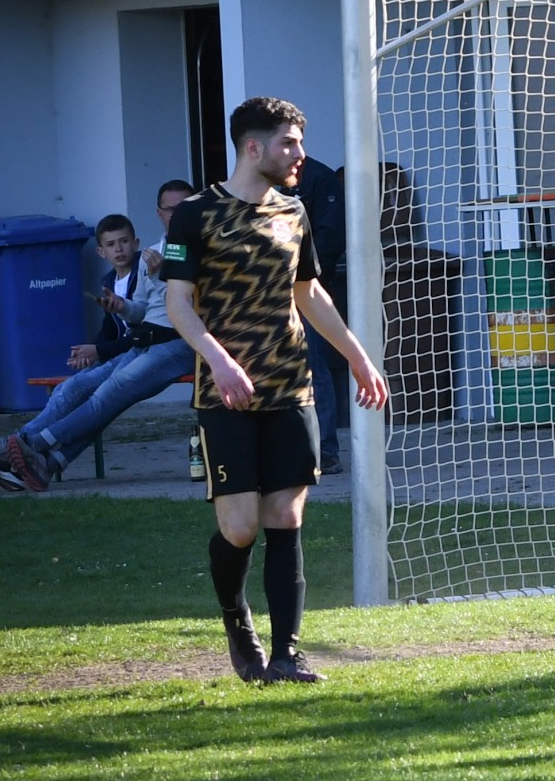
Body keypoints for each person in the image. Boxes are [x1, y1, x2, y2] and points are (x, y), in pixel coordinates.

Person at [162, 97, 389, 684]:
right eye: (289, 143)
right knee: (240, 527)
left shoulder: (295, 211)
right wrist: (218, 362)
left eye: (300, 142)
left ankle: (287, 654)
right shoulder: (195, 214)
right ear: (252, 146)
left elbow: (309, 294)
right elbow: (178, 304)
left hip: (291, 386)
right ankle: (239, 626)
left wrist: (359, 359)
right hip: (225, 395)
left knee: (285, 517)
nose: (300, 154)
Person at [0, 208, 195, 493]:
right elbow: (141, 313)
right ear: (159, 214)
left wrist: (99, 349)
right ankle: (38, 466)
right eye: (170, 210)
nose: (177, 214)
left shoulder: (189, 254)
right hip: (141, 343)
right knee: (75, 390)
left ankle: (23, 446)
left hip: (173, 344)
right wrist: (122, 310)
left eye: (184, 206)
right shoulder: (144, 261)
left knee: (105, 395)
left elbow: (184, 307)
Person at [293, 153, 346, 473]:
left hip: (307, 289)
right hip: (262, 293)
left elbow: (330, 237)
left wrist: (303, 273)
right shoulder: (258, 176)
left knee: (314, 367)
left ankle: (325, 450)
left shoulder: (320, 177)